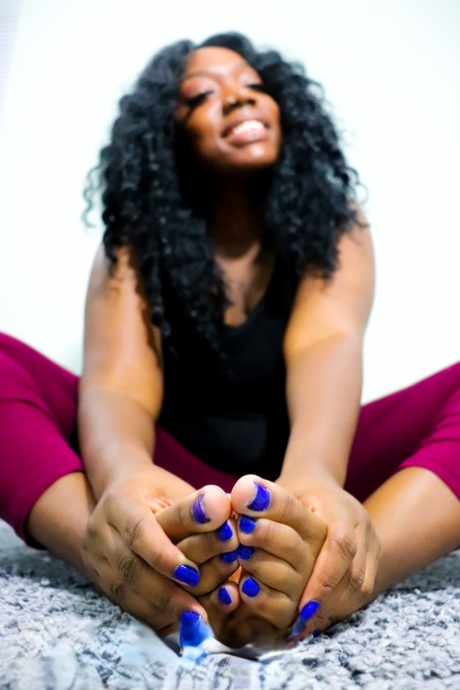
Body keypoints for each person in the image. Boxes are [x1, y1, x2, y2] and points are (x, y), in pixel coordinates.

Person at [1, 31, 460, 649]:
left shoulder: (337, 225)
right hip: (175, 480)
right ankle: (122, 552)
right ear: (167, 136)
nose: (240, 101)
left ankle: (342, 562)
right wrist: (127, 477)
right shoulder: (134, 243)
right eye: (202, 96)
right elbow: (118, 387)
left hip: (305, 461)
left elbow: (328, 344)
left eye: (254, 88)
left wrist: (315, 482)